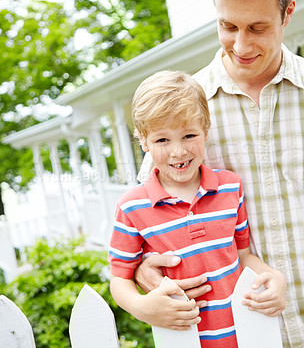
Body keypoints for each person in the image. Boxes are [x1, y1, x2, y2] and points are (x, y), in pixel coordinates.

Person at [134, 0, 304, 347]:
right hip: (243, 332)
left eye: (258, 28)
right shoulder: (184, 110)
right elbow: (147, 215)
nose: (241, 44)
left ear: (288, 13)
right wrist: (144, 270)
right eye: (228, 26)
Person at [108, 70, 286, 347]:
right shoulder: (131, 207)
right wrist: (142, 307)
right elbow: (119, 278)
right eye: (162, 140)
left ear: (205, 129)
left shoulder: (230, 188)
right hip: (183, 338)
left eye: (188, 135)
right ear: (143, 141)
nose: (178, 151)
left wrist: (274, 277)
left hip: (246, 334)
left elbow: (244, 255)